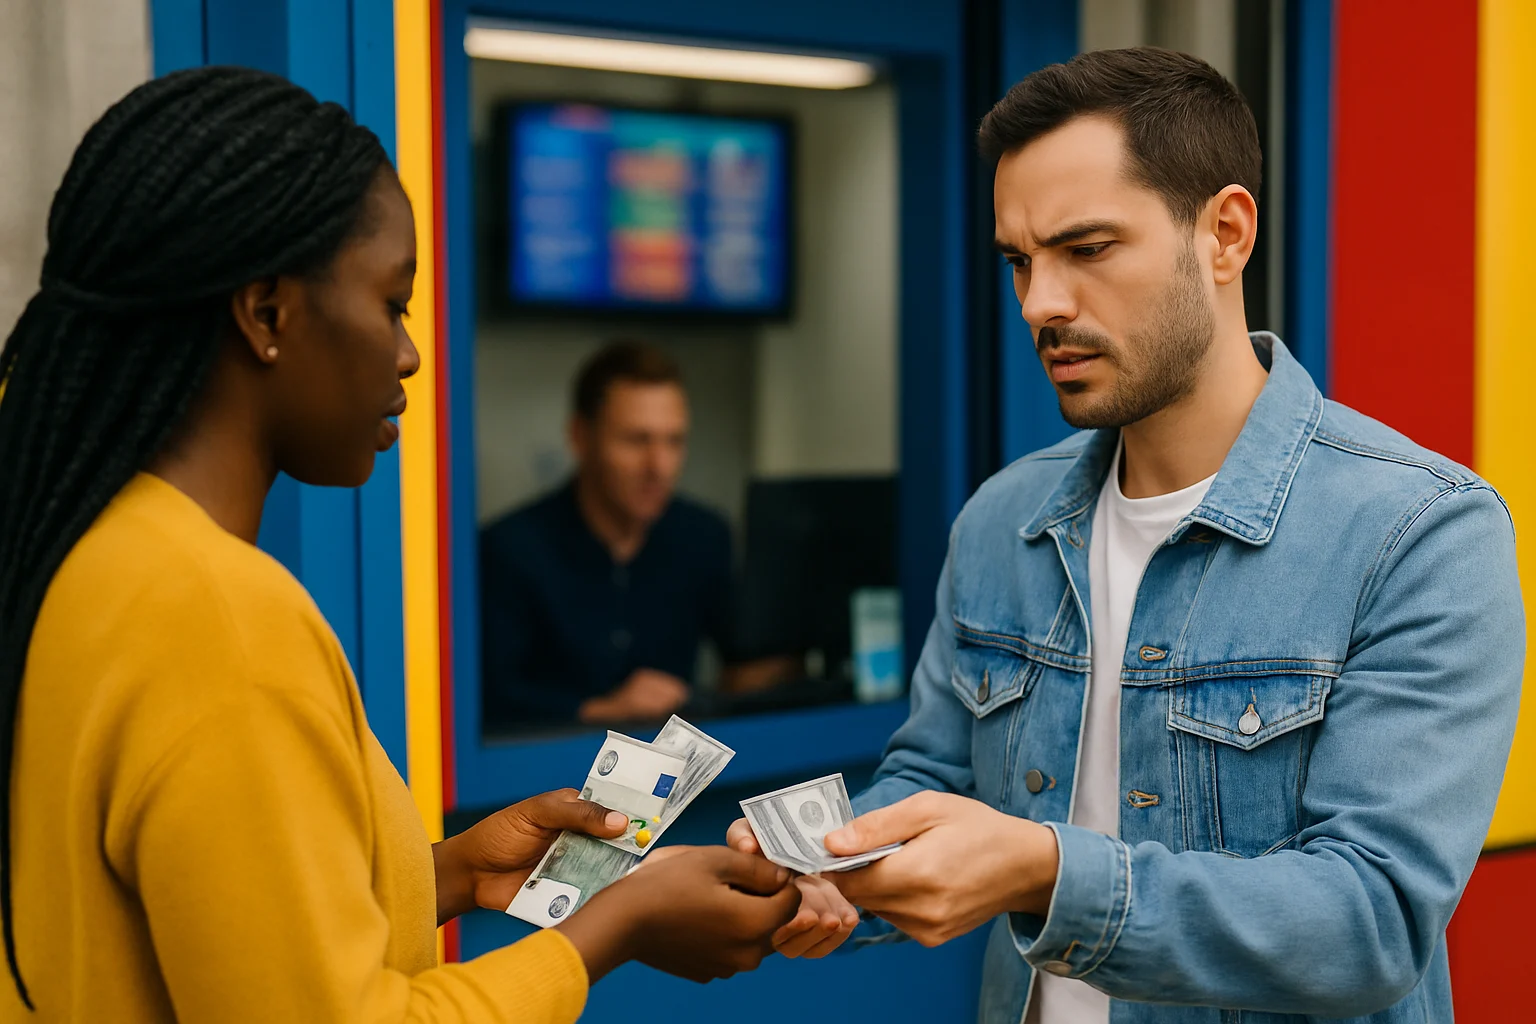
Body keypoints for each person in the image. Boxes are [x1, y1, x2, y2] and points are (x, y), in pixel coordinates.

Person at [730, 47, 1524, 1022]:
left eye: (1088, 248)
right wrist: (833, 862)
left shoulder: (1418, 532)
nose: (1040, 303)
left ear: (1225, 234)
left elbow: (1371, 920)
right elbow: (929, 776)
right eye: (1020, 260)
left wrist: (1043, 868)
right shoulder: (1001, 521)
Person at [0, 66, 801, 1023]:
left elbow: (225, 935)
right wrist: (613, 929)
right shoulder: (219, 618)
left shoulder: (95, 558)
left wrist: (450, 873)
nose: (410, 352)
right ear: (266, 313)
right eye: (392, 304)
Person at [480, 341, 788, 731]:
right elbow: (489, 699)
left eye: (674, 441)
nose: (659, 466)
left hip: (674, 774)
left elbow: (745, 663)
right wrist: (599, 710)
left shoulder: (703, 536)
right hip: (547, 777)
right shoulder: (512, 548)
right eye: (636, 440)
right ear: (580, 437)